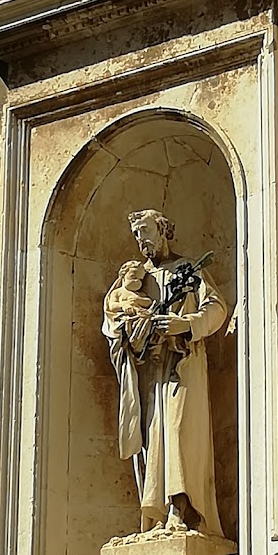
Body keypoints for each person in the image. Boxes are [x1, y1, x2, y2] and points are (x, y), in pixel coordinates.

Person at [102, 209, 227, 537]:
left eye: (145, 231)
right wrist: (133, 332)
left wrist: (185, 324)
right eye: (136, 234)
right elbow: (112, 320)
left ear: (163, 231)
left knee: (178, 430)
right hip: (147, 370)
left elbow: (216, 308)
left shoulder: (188, 270)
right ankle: (157, 517)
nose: (141, 239)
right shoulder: (132, 277)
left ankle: (181, 512)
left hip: (182, 364)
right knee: (153, 437)